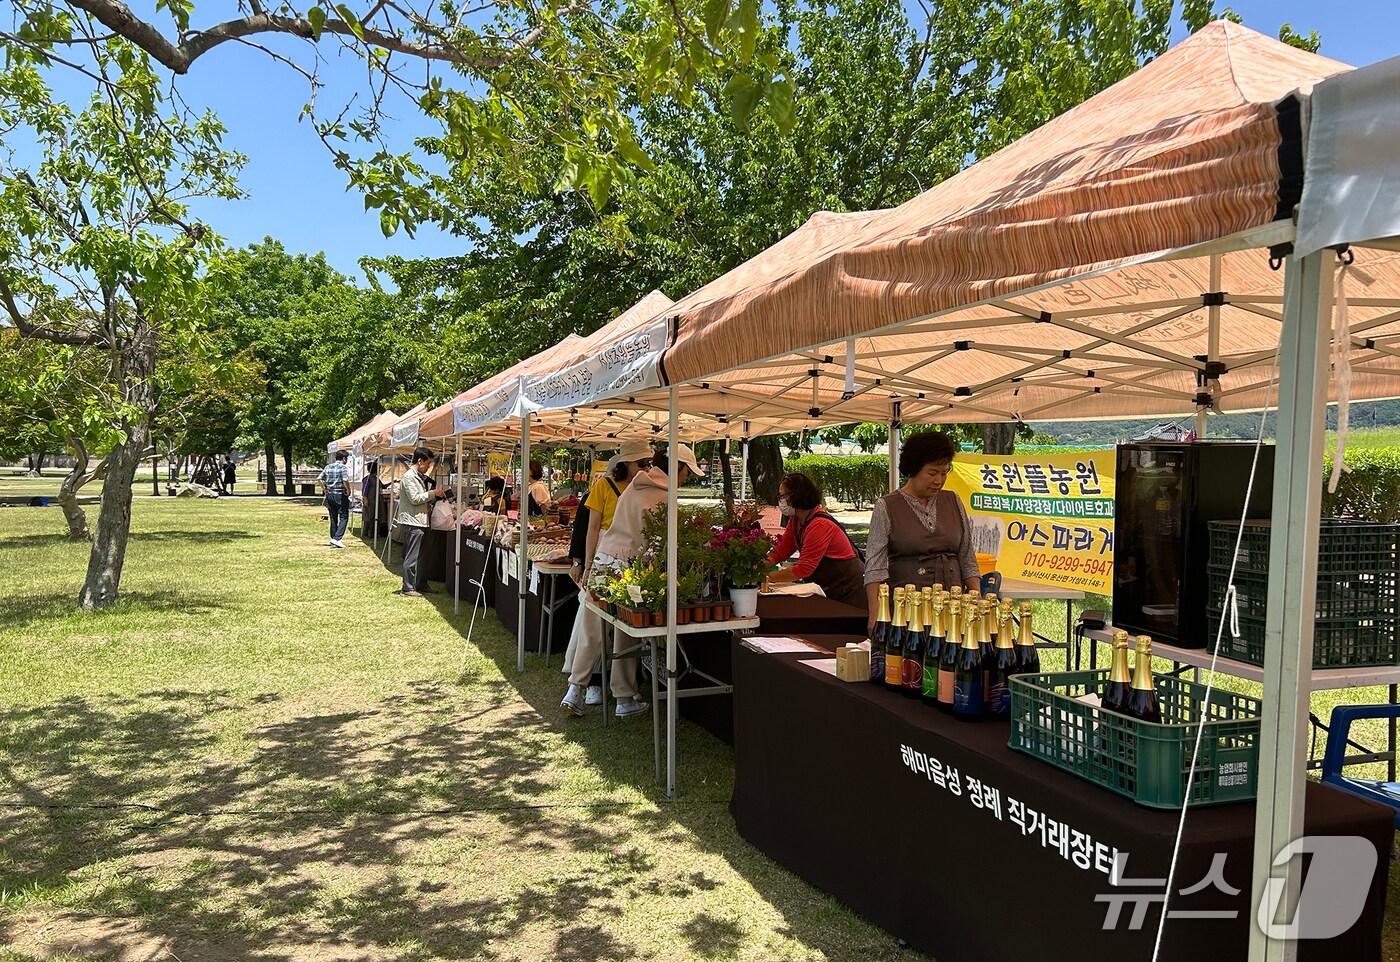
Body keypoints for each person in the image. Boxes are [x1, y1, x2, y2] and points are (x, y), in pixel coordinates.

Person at [561, 444, 705, 718]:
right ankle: (624, 697)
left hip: (606, 560)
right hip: (630, 568)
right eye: (688, 472)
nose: (688, 478)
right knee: (626, 631)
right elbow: (660, 542)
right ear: (679, 467)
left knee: (593, 629)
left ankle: (575, 689)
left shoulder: (637, 485)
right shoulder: (663, 495)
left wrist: (588, 564)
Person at [564, 440, 653, 707]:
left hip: (622, 560)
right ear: (626, 464)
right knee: (593, 624)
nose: (646, 468)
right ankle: (585, 687)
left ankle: (617, 693)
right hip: (611, 558)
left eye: (648, 463)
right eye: (642, 464)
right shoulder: (604, 487)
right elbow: (590, 529)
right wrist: (586, 563)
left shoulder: (643, 487)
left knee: (620, 626)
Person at [864, 431, 980, 634]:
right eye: (932, 473)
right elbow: (875, 565)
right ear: (913, 469)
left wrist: (976, 597)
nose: (939, 480)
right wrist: (875, 612)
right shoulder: (887, 506)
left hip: (951, 608)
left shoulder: (953, 500)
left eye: (944, 473)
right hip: (907, 610)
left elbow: (966, 555)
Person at [764, 472, 867, 609]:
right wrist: (756, 566)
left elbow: (804, 569)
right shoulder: (796, 521)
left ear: (796, 496)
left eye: (782, 496)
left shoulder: (819, 525)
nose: (780, 500)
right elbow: (781, 552)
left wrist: (766, 578)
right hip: (831, 590)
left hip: (851, 592)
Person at [398, 446, 448, 596]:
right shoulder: (409, 477)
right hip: (413, 521)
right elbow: (415, 499)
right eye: (428, 464)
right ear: (420, 461)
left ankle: (421, 583)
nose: (428, 467)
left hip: (422, 520)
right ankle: (408, 587)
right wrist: (433, 493)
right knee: (412, 556)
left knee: (424, 555)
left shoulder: (419, 476)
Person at [317, 450, 352, 548]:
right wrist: (348, 490)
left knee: (333, 516)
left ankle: (333, 537)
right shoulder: (343, 467)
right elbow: (345, 480)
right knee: (344, 516)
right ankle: (337, 538)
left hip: (330, 494)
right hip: (340, 494)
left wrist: (324, 489)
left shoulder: (328, 467)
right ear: (344, 458)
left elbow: (319, 479)